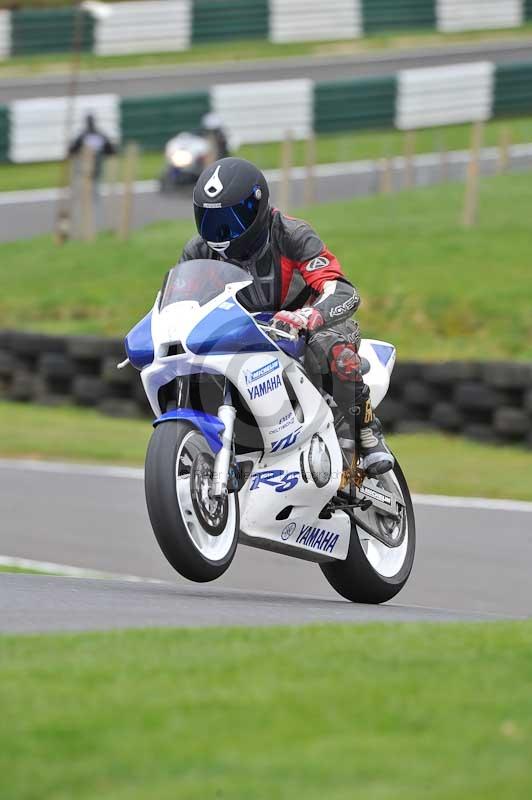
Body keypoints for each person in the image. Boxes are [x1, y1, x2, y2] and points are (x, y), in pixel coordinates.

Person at [179, 157, 394, 475]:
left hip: (309, 324)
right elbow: (183, 304)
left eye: (231, 220)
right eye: (210, 221)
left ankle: (367, 433)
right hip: (247, 334)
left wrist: (311, 316)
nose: (221, 233)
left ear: (257, 206)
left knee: (328, 344)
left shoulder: (292, 234)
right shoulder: (198, 251)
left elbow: (342, 290)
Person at [69, 114, 117, 182]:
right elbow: (111, 150)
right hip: (94, 165)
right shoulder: (99, 134)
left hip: (87, 167)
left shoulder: (84, 135)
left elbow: (72, 149)